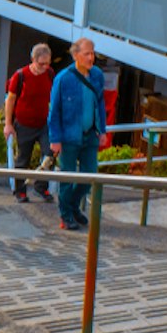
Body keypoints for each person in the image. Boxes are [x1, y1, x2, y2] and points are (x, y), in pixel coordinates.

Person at [47, 37, 106, 231]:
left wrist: (102, 130)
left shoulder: (97, 75)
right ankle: (66, 214)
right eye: (87, 54)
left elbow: (100, 104)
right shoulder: (63, 78)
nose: (91, 58)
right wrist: (55, 139)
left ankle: (72, 206)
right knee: (68, 177)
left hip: (90, 134)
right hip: (69, 136)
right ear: (75, 55)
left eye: (93, 53)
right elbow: (54, 111)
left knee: (90, 177)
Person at [5, 43, 56, 204]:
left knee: (50, 154)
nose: (44, 67)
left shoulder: (49, 74)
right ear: (33, 60)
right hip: (24, 123)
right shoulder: (20, 75)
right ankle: (20, 190)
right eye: (41, 63)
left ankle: (41, 186)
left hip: (43, 123)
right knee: (23, 159)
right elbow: (11, 100)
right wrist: (8, 124)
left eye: (47, 63)